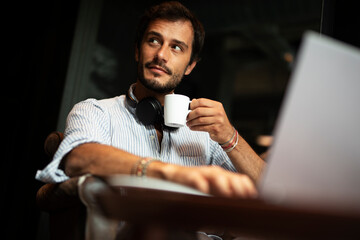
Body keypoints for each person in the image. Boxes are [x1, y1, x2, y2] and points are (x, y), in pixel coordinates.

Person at [36, 1, 265, 199]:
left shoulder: (206, 134)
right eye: (154, 41)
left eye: (176, 47)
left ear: (190, 66)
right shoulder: (95, 112)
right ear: (138, 50)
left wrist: (230, 138)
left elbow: (270, 192)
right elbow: (78, 158)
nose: (161, 55)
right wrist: (172, 174)